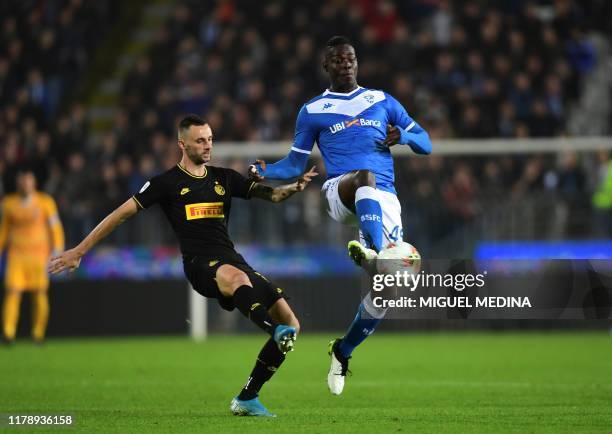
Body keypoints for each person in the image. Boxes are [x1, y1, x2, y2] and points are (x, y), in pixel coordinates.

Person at [49, 114, 318, 417]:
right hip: (199, 264)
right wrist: (80, 250)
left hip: (231, 259)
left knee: (292, 324)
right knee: (239, 279)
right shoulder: (166, 183)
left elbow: (273, 196)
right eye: (201, 140)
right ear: (182, 143)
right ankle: (272, 330)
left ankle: (247, 396)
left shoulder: (224, 177)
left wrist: (294, 187)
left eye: (210, 139)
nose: (207, 146)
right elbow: (120, 214)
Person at [249, 36, 432, 395]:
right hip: (341, 191)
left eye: (350, 58)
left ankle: (342, 350)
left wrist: (406, 136)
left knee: (387, 291)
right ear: (326, 66)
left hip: (384, 201)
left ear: (357, 62)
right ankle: (375, 253)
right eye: (337, 60)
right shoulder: (313, 110)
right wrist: (265, 168)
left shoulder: (381, 100)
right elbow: (294, 164)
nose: (345, 64)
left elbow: (426, 143)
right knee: (364, 174)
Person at [1, 168, 65, 344]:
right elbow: (3, 231)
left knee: (39, 293)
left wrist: (58, 249)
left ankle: (38, 334)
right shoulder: (8, 204)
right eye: (22, 179)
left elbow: (55, 227)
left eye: (28, 179)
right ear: (17, 183)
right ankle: (8, 333)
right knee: (12, 292)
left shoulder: (45, 202)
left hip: (39, 256)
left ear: (33, 182)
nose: (25, 183)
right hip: (16, 256)